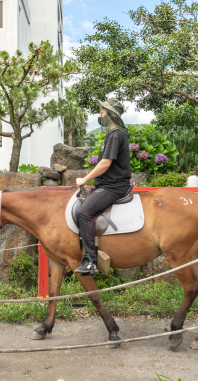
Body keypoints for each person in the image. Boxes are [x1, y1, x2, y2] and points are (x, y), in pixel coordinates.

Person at [74, 99, 132, 275]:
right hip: (110, 184)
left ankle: (90, 260)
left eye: (101, 112)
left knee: (83, 212)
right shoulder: (113, 134)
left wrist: (84, 180)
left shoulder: (115, 135)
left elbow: (105, 163)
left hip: (113, 187)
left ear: (111, 114)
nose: (99, 116)